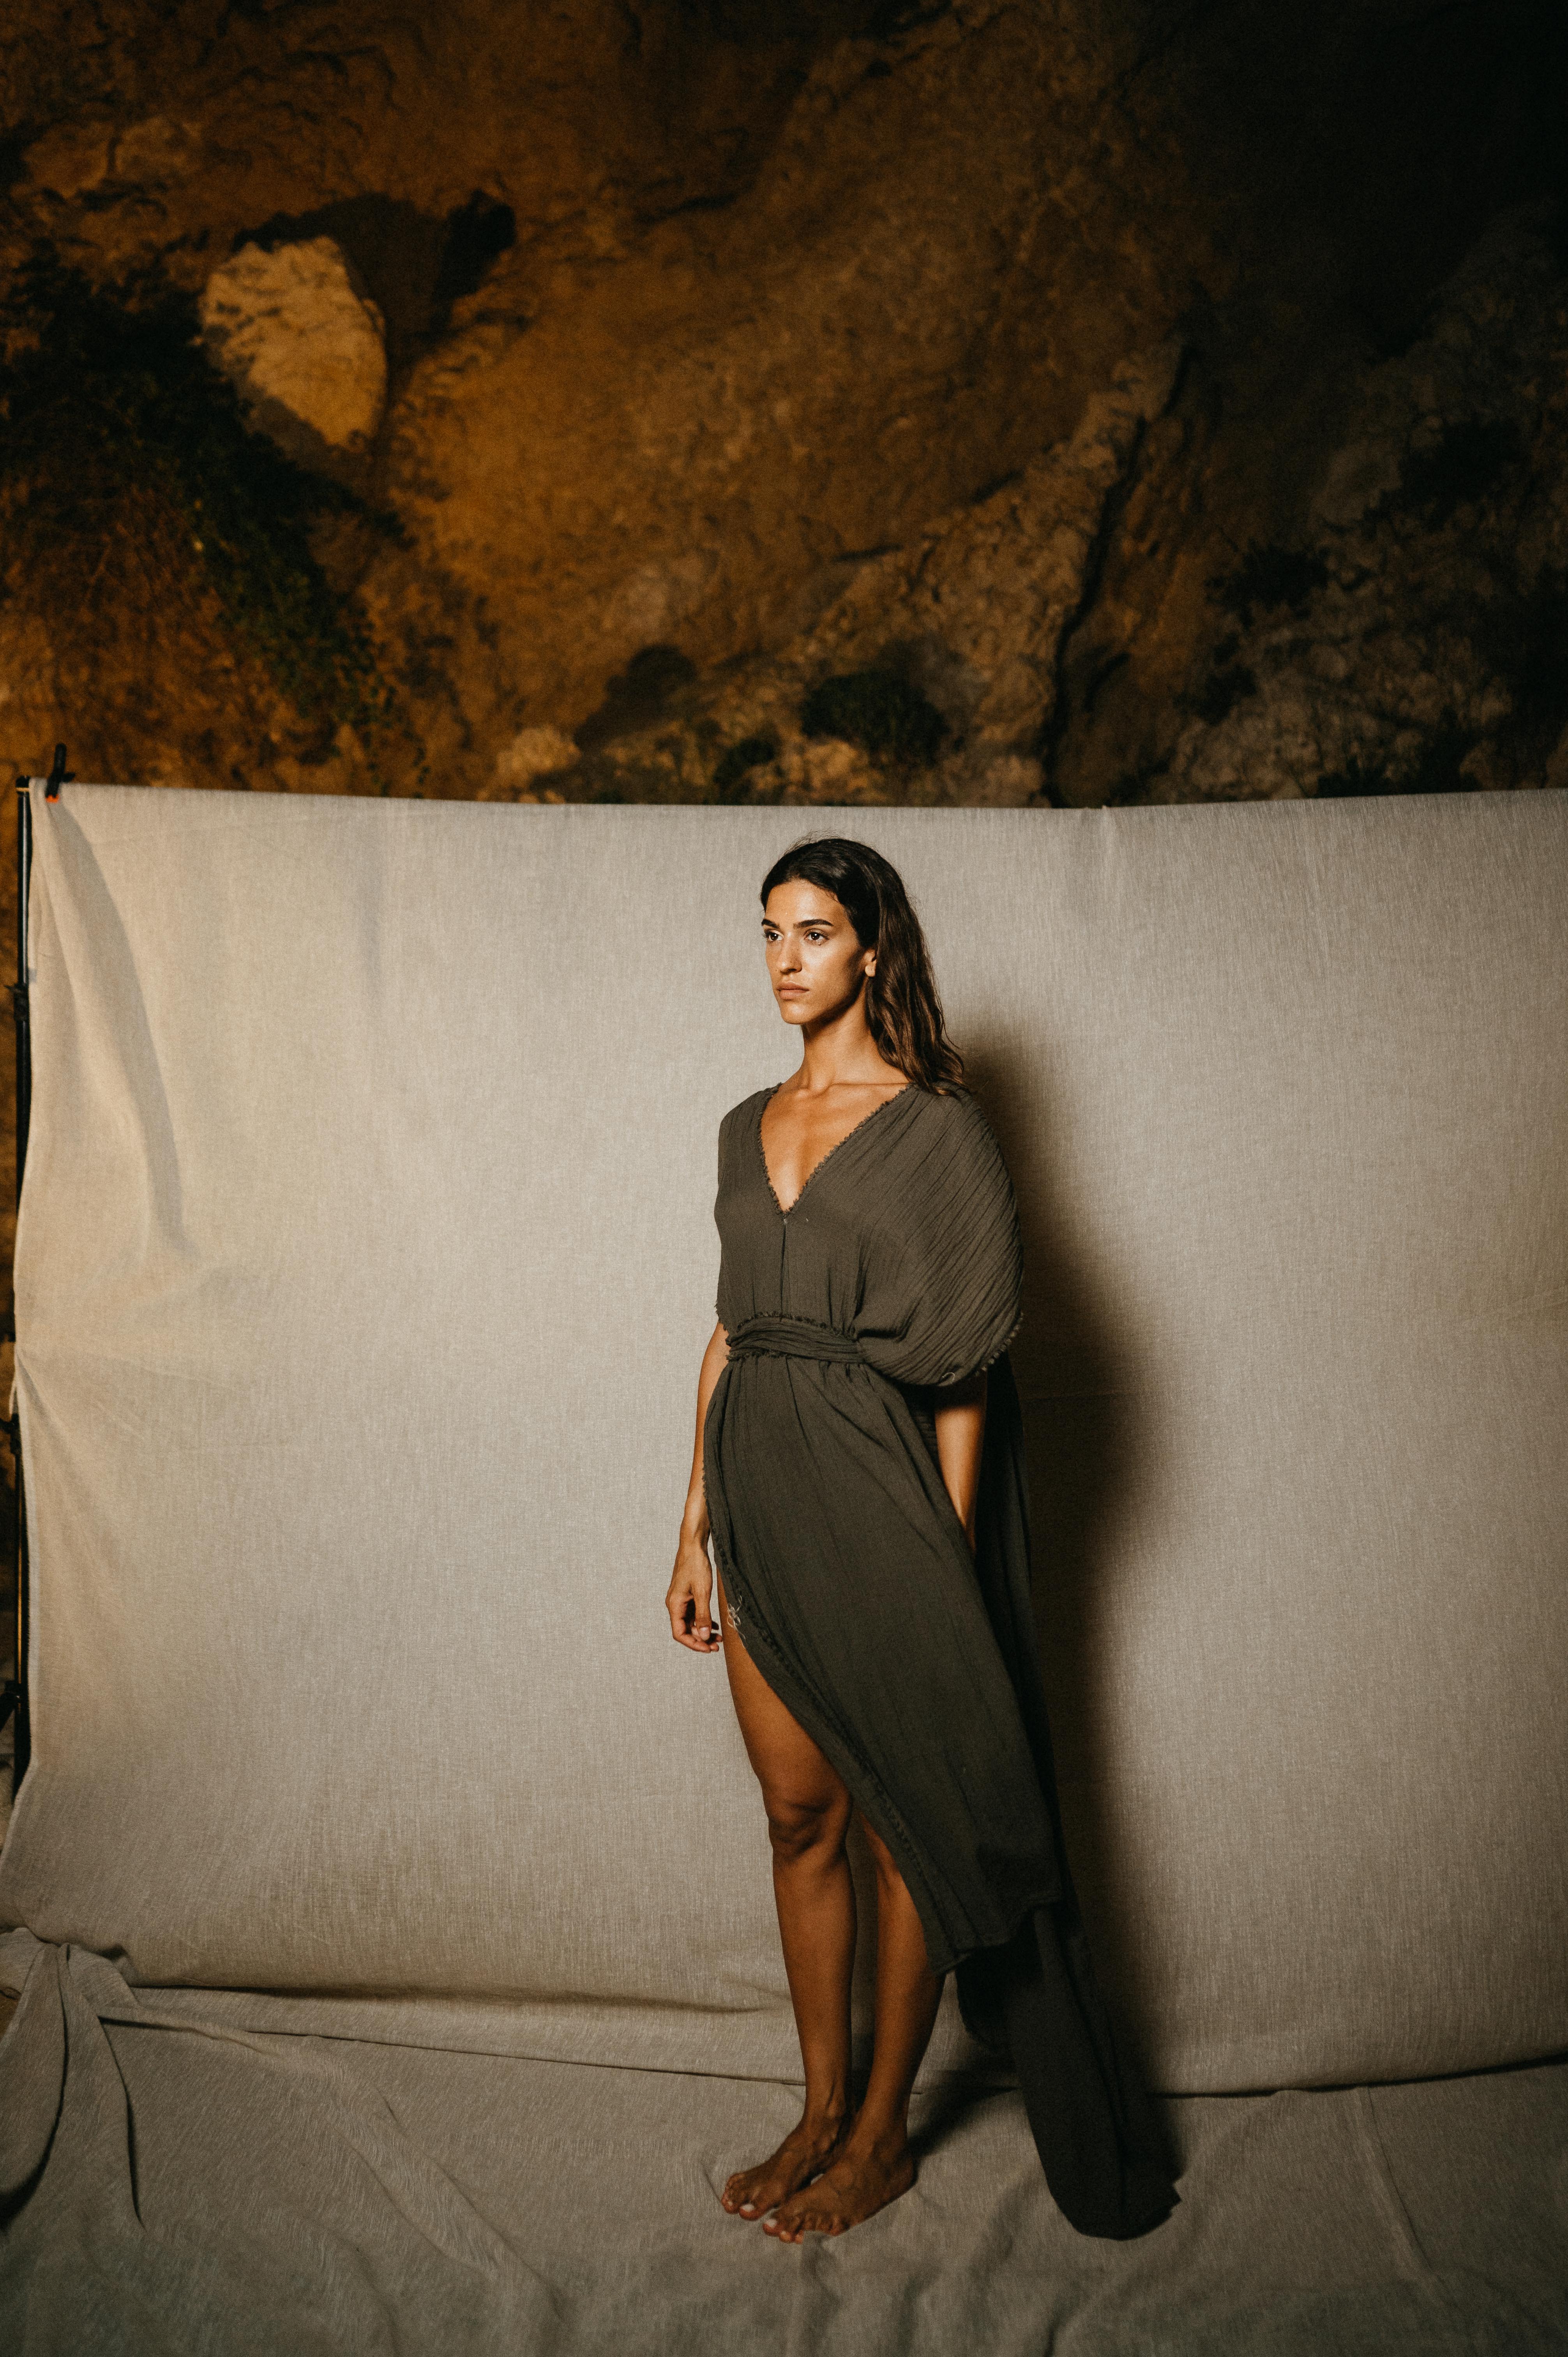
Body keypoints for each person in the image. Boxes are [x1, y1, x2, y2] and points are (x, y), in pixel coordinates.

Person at [665, 836, 1175, 2245]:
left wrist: (942, 1559)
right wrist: (692, 1527)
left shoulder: (940, 1130)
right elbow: (730, 1333)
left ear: (873, 949)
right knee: (799, 1816)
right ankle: (820, 2109)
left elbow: (965, 1373)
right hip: (761, 1492)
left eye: (816, 934)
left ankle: (885, 2135)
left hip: (882, 1502)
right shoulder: (742, 1123)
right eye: (770, 932)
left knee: (907, 1832)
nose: (786, 960)